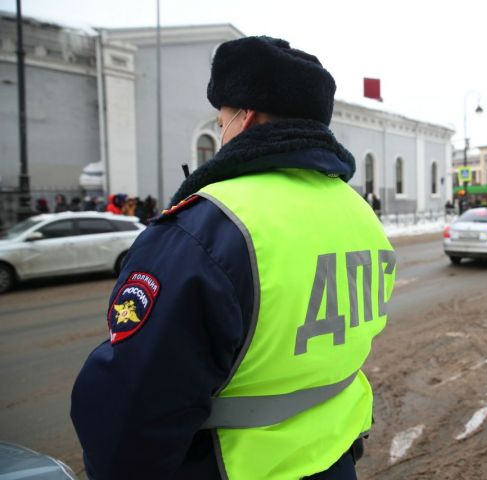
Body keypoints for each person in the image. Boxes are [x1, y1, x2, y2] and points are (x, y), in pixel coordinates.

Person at [71, 36, 395, 480]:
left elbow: (133, 410)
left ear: (246, 118)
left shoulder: (206, 227)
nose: (221, 130)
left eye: (221, 118)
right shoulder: (359, 213)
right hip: (334, 459)